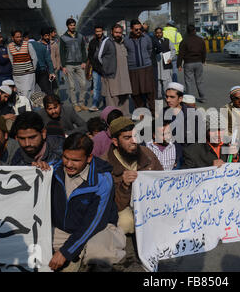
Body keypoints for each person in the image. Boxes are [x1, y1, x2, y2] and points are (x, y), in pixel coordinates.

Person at [49, 133, 126, 272]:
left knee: (98, 256)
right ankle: (77, 255)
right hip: (63, 230)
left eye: (75, 160)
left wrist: (66, 251)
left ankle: (79, 254)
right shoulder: (54, 170)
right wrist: (37, 169)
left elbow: (94, 222)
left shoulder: (102, 179)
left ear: (89, 158)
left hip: (97, 230)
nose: (69, 164)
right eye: (65, 157)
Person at [100, 117, 163, 234]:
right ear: (115, 142)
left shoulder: (147, 153)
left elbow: (161, 178)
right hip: (124, 206)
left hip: (149, 202)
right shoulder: (104, 164)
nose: (133, 141)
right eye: (127, 138)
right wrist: (124, 186)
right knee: (126, 223)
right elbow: (111, 205)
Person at [99, 24, 132, 117]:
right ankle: (113, 119)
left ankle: (125, 116)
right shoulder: (107, 42)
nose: (118, 34)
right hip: (112, 75)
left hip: (124, 74)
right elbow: (98, 57)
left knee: (124, 96)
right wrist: (106, 68)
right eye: (116, 32)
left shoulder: (124, 42)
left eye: (120, 33)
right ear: (112, 32)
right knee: (113, 97)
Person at [124, 19, 156, 113]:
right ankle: (141, 111)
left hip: (146, 67)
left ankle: (153, 110)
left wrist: (145, 59)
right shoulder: (126, 40)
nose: (138, 31)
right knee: (135, 92)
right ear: (131, 29)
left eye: (140, 29)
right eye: (136, 29)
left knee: (150, 90)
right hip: (133, 69)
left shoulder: (146, 38)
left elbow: (150, 49)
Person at [59, 18, 88, 112]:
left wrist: (84, 61)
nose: (73, 26)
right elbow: (62, 52)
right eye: (71, 25)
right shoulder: (63, 37)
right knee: (72, 86)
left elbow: (83, 49)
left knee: (83, 84)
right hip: (69, 64)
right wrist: (63, 66)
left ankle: (81, 103)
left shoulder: (80, 36)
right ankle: (75, 104)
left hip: (80, 64)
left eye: (74, 25)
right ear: (67, 26)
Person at [178, 25, 207, 103]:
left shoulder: (184, 41)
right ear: (195, 30)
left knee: (189, 82)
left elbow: (181, 54)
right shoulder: (200, 40)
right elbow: (204, 51)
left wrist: (179, 65)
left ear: (187, 31)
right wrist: (203, 60)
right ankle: (202, 97)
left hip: (188, 63)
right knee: (199, 81)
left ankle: (190, 99)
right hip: (198, 63)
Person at [7, 30, 38, 99]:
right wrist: (16, 68)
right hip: (17, 75)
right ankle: (24, 109)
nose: (19, 39)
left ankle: (29, 109)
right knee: (20, 94)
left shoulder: (27, 44)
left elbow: (34, 58)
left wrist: (32, 69)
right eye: (17, 37)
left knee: (28, 93)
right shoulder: (9, 46)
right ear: (13, 38)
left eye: (20, 37)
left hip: (28, 74)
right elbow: (11, 60)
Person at [87, 25, 106, 112]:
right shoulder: (92, 42)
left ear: (103, 31)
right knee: (96, 87)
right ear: (95, 32)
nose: (98, 33)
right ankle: (95, 104)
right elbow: (90, 56)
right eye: (97, 31)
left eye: (100, 31)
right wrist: (95, 66)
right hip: (95, 68)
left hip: (106, 68)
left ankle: (107, 104)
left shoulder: (107, 41)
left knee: (106, 87)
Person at [154, 27, 176, 99]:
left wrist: (170, 58)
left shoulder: (167, 41)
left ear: (162, 33)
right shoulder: (153, 42)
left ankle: (168, 99)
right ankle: (159, 98)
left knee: (167, 83)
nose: (158, 34)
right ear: (155, 33)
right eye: (157, 33)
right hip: (156, 66)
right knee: (158, 85)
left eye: (160, 32)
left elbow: (173, 50)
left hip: (166, 66)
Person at [37, 28, 58, 94]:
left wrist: (57, 67)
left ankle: (55, 100)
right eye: (45, 36)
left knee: (54, 87)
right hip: (42, 70)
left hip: (52, 68)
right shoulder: (37, 44)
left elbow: (57, 56)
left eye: (48, 35)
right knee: (44, 88)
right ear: (41, 36)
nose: (47, 37)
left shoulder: (53, 44)